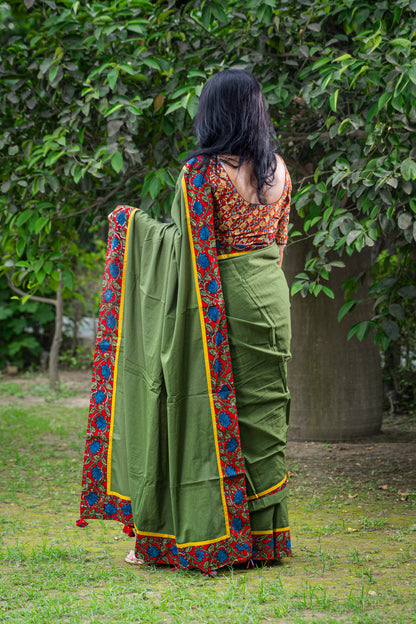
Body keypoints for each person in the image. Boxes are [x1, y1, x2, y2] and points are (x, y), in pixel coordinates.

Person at [77, 69, 292, 576]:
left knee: (206, 416)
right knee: (260, 421)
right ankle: (263, 541)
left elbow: (190, 255)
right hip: (273, 299)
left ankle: (206, 536)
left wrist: (129, 225)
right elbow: (280, 247)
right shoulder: (280, 170)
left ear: (213, 112)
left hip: (226, 303)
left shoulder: (202, 173)